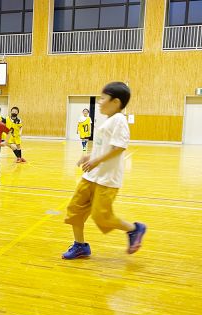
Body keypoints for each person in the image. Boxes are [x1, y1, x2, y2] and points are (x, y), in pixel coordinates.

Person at [62, 82, 146, 260]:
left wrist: (95, 161)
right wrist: (90, 156)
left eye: (102, 98)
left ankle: (135, 229)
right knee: (75, 211)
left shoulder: (120, 121)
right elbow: (105, 147)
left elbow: (119, 147)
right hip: (91, 176)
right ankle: (80, 246)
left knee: (102, 217)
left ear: (116, 102)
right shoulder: (108, 121)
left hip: (107, 179)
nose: (99, 102)